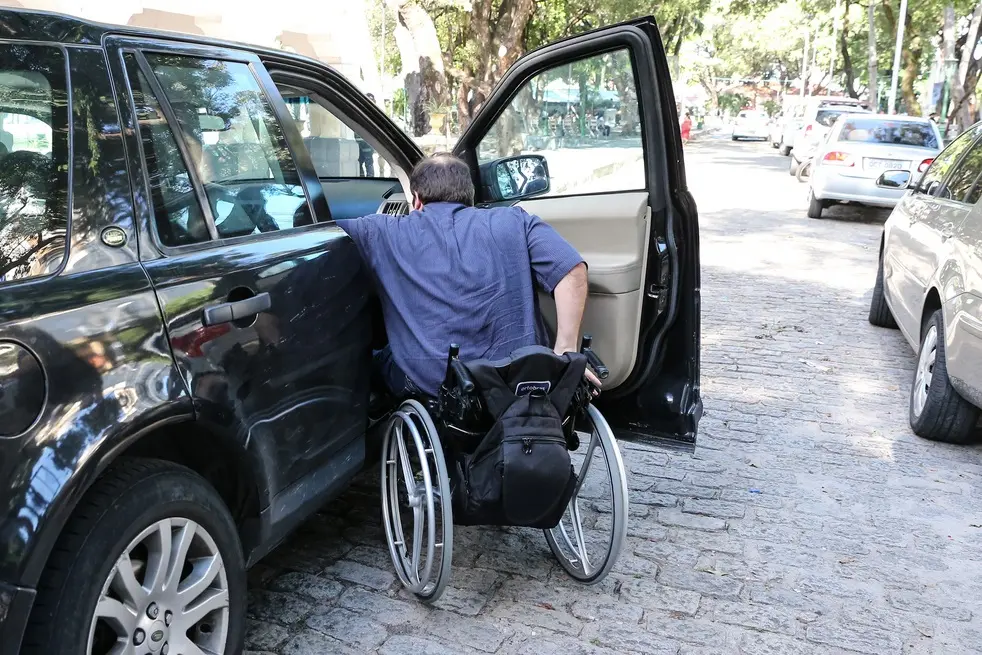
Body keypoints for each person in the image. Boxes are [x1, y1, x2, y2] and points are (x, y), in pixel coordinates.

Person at [336, 153, 599, 398]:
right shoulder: (514, 221)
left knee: (368, 360)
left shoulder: (381, 233)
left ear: (416, 199)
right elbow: (572, 270)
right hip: (517, 376)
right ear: (469, 196)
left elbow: (317, 236)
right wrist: (565, 350)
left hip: (433, 382)